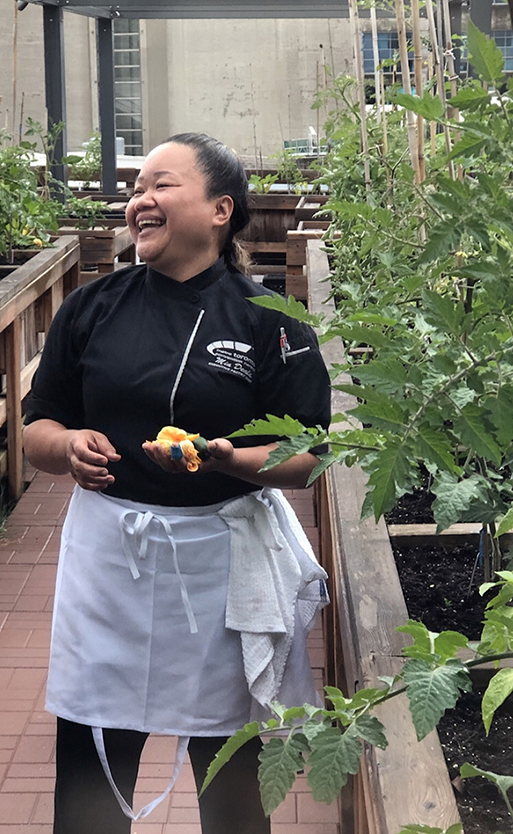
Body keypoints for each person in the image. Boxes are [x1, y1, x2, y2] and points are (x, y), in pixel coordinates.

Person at [22, 133, 331, 834]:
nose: (140, 201)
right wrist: (69, 445)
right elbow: (38, 427)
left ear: (221, 209)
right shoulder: (92, 308)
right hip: (111, 562)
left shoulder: (272, 321)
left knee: (230, 773)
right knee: (91, 764)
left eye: (161, 185)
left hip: (221, 564)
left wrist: (227, 459)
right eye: (137, 190)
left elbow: (309, 455)